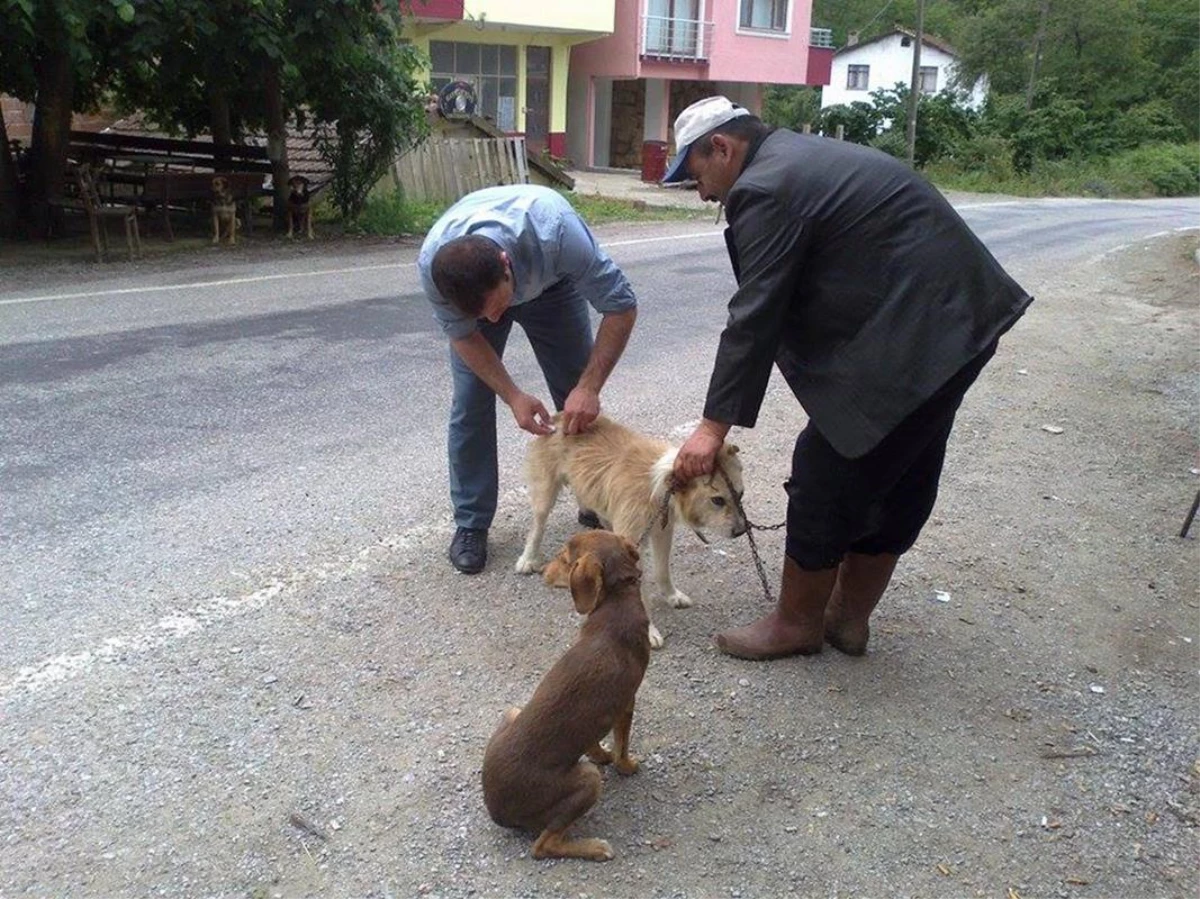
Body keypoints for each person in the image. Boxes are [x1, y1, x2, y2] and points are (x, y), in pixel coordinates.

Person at [664, 96, 1033, 659]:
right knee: (904, 470)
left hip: (924, 330)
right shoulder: (795, 157)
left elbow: (756, 314)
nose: (704, 193)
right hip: (961, 319)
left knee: (826, 469)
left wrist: (712, 429)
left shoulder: (766, 187)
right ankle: (848, 620)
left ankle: (797, 624)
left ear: (721, 147)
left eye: (697, 175)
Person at [419, 184, 638, 574]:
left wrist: (589, 387)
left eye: (498, 306)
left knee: (576, 389)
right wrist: (513, 395)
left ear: (506, 264)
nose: (494, 320)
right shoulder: (435, 268)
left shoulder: (557, 233)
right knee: (471, 402)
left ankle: (592, 496)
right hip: (489, 286)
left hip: (551, 287)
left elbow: (620, 305)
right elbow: (465, 335)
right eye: (483, 315)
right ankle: (471, 523)